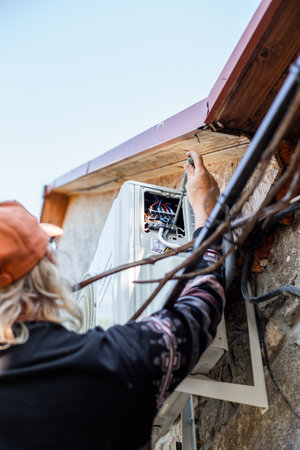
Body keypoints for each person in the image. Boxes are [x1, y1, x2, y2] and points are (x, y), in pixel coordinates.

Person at [0, 151, 225, 450]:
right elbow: (200, 308)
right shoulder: (106, 362)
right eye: (48, 252)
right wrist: (207, 214)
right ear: (43, 278)